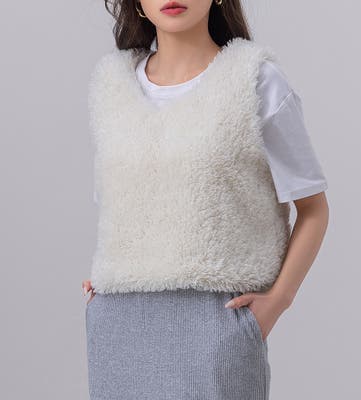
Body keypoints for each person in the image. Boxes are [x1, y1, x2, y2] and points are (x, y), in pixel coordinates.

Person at [82, 1, 330, 399]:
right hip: (118, 328)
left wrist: (276, 302)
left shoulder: (252, 79)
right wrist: (108, 278)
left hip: (216, 325)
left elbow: (314, 208)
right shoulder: (112, 85)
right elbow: (121, 207)